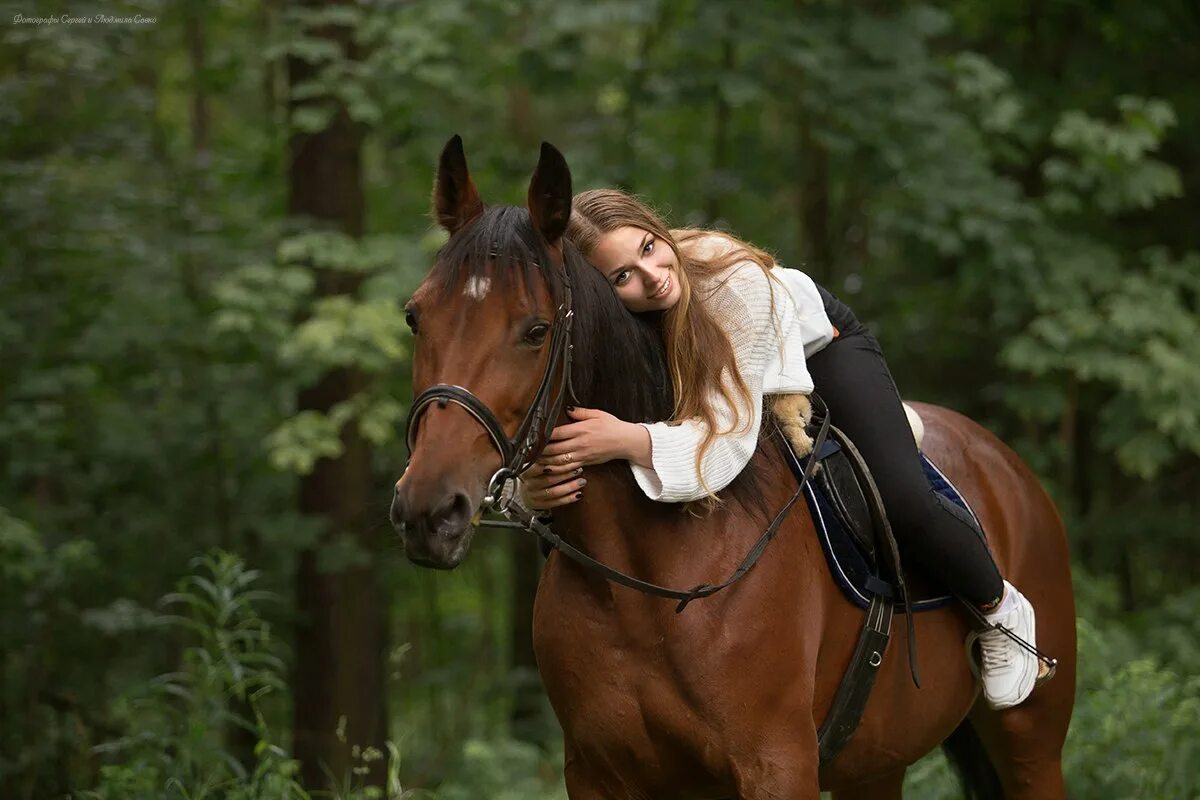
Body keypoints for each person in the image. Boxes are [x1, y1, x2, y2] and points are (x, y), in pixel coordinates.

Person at [520, 189, 1047, 710]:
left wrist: (629, 439)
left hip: (820, 351)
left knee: (901, 495)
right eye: (622, 277)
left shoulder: (733, 283)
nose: (653, 275)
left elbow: (729, 433)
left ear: (659, 230)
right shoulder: (603, 322)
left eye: (649, 248)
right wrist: (536, 487)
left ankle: (999, 607)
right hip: (716, 382)